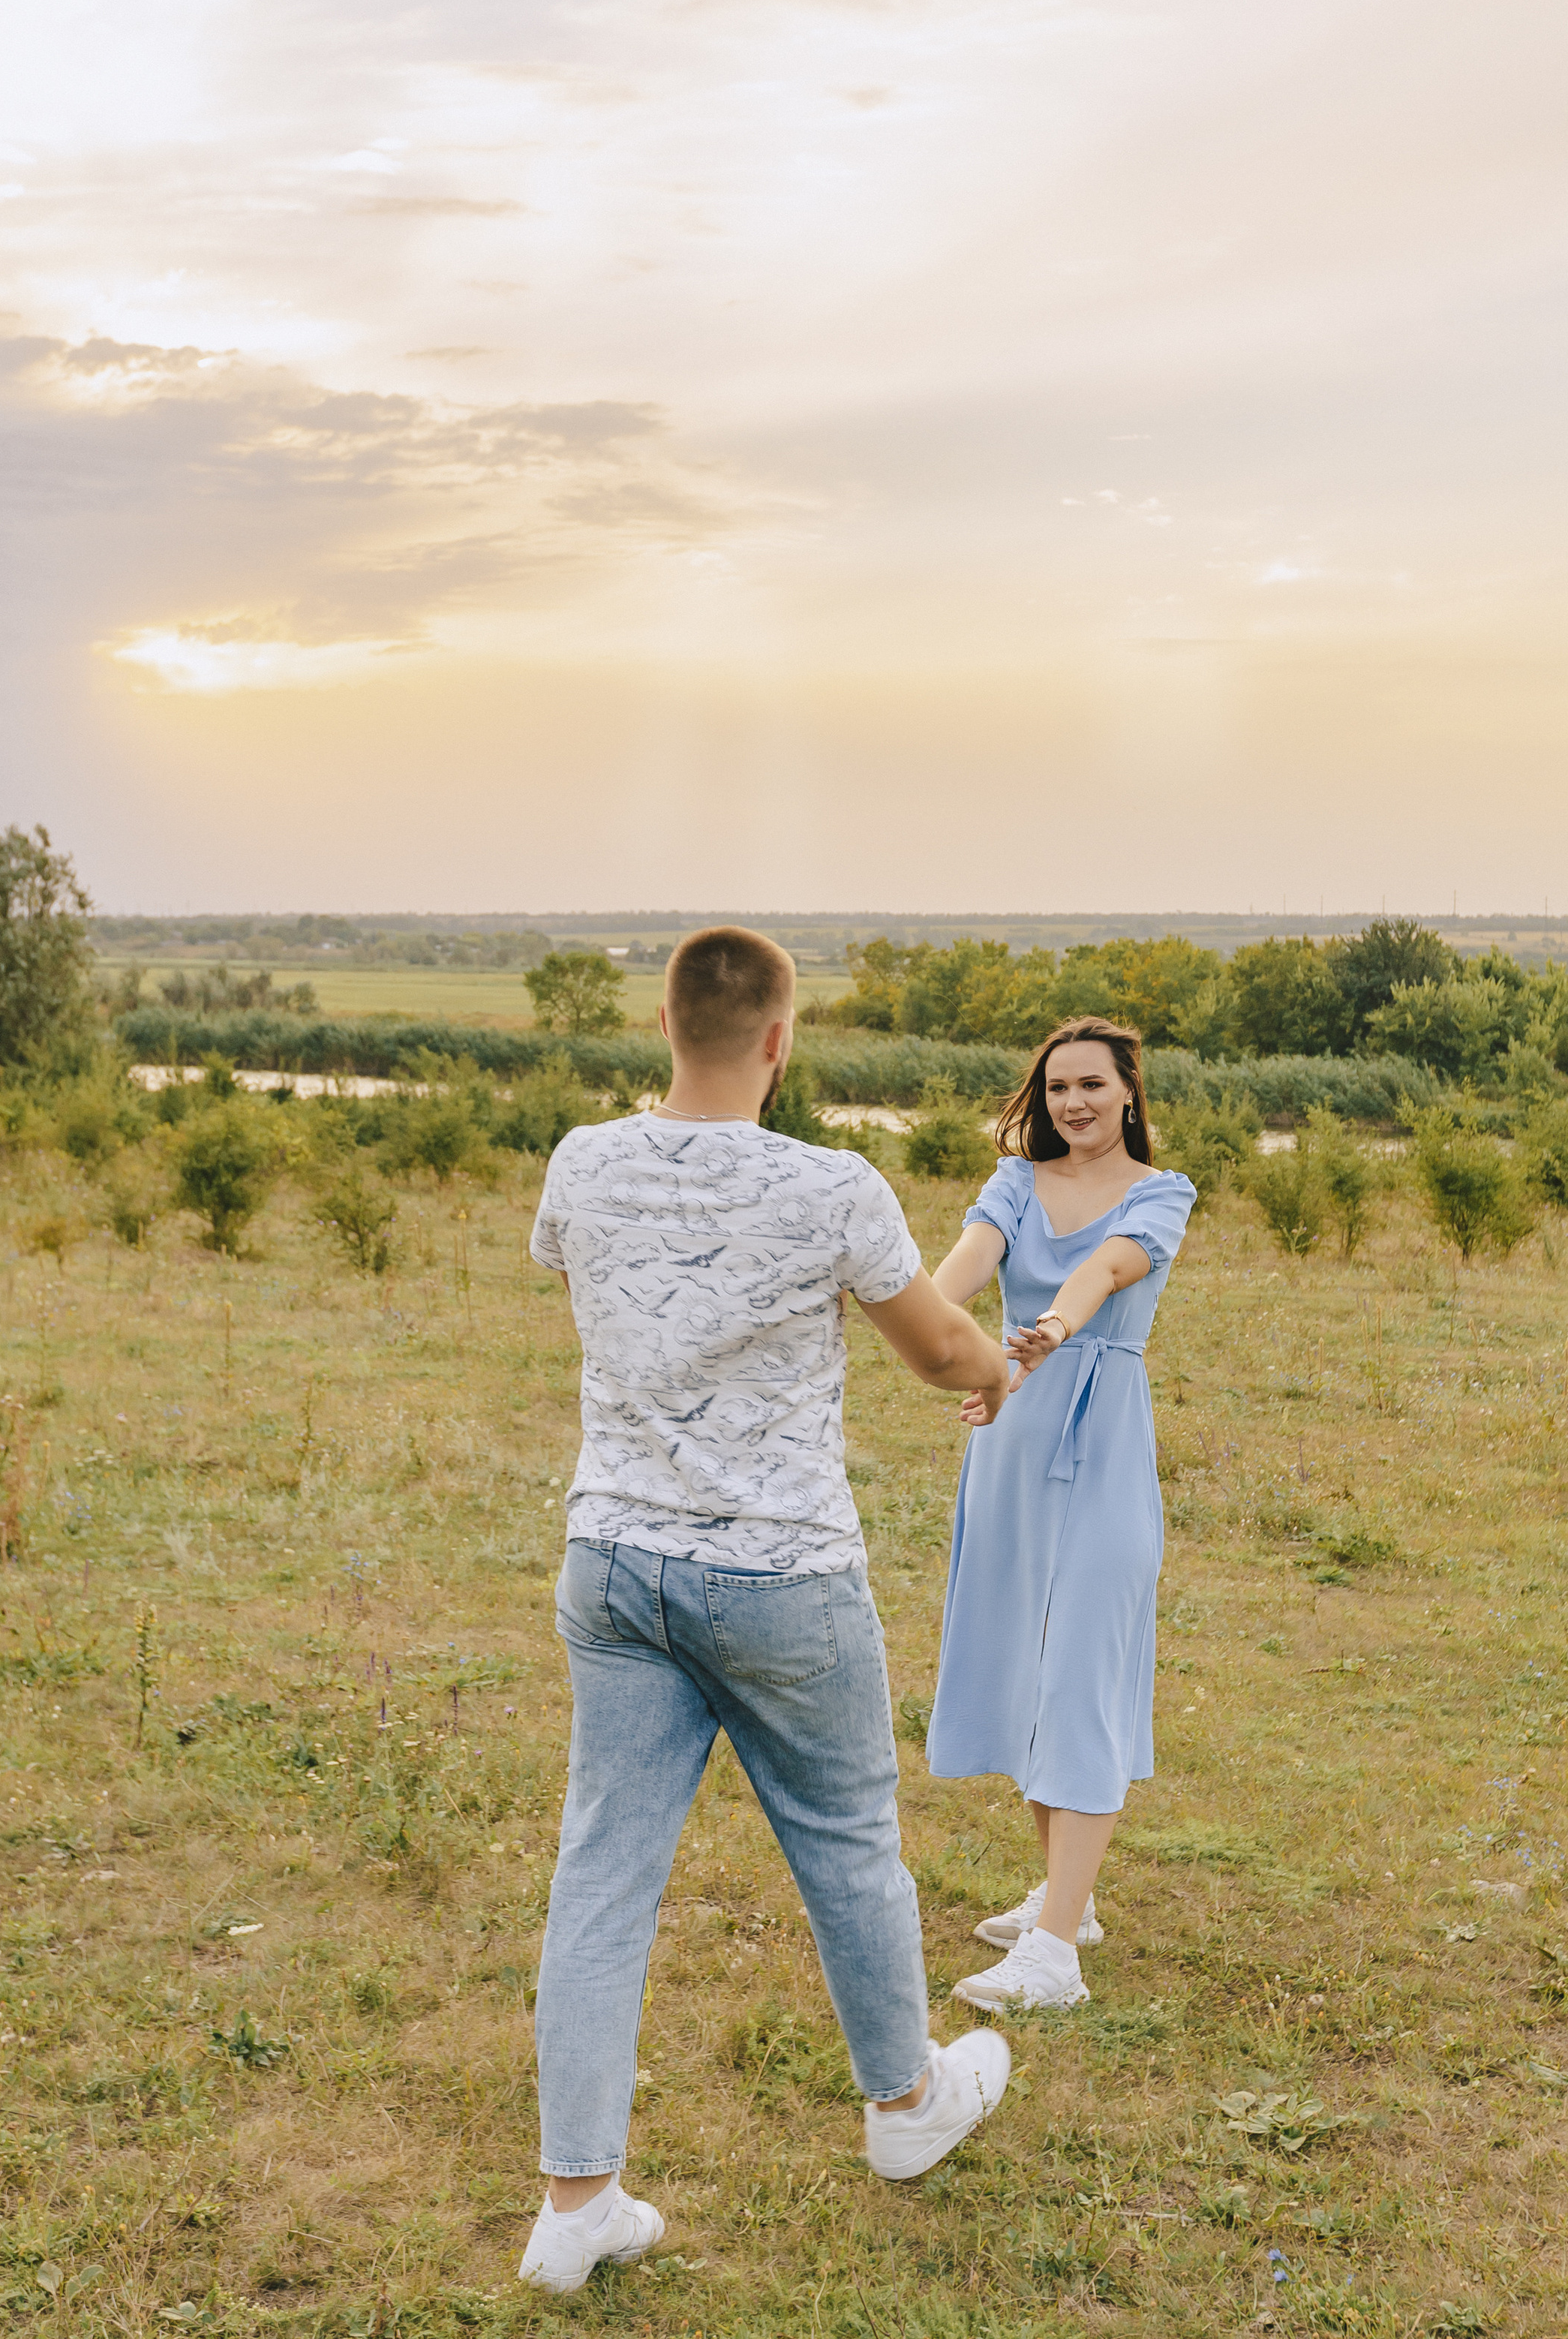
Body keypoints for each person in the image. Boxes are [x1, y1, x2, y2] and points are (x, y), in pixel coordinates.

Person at [518, 925, 1017, 2295]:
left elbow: (584, 1287)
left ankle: (577, 2199)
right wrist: (999, 1371)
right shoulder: (833, 1185)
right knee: (850, 1844)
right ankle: (906, 2109)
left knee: (602, 1873)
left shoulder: (583, 1161)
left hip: (614, 1563)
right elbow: (939, 1353)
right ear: (782, 1040)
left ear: (664, 1027)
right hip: (782, 1573)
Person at [924, 1018, 1196, 2013]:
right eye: (1054, 1089)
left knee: (1083, 1666)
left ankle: (1054, 1959)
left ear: (1129, 1091)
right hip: (1010, 1437)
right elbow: (957, 1274)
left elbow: (1103, 1274)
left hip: (1100, 1438)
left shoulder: (1162, 1194)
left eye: (1090, 1084)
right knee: (1028, 1669)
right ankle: (1065, 1901)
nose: (1071, 1103)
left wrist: (1038, 1338)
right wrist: (899, 1312)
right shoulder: (1012, 1183)